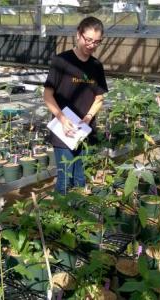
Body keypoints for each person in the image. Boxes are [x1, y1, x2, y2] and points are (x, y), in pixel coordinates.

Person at [43, 16, 108, 195]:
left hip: (85, 130)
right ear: (78, 35)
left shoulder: (96, 66)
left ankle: (79, 217)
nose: (92, 45)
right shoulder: (61, 61)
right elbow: (47, 95)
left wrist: (87, 119)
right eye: (88, 40)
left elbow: (99, 97)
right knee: (65, 179)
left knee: (81, 177)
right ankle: (58, 220)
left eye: (97, 42)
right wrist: (62, 119)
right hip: (64, 130)